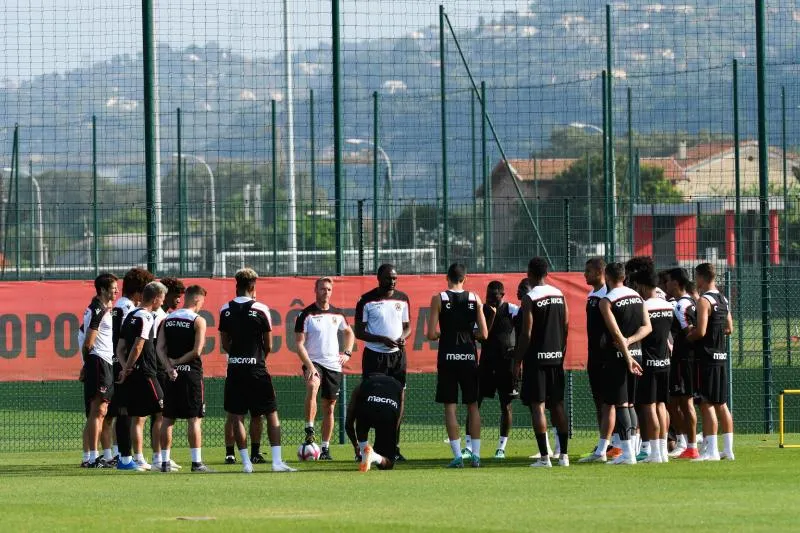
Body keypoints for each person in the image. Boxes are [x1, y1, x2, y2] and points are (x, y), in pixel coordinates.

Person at [219, 268, 307, 473]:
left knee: (237, 416)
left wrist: (238, 358)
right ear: (252, 286)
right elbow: (268, 344)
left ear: (236, 285)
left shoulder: (225, 309)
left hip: (235, 370)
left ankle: (246, 464)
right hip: (257, 370)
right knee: (271, 413)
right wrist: (257, 359)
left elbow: (225, 343)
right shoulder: (261, 309)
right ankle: (277, 462)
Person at [582, 262, 648, 465]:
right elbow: (647, 327)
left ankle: (627, 454)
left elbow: (615, 333)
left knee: (620, 405)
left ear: (607, 277)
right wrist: (630, 343)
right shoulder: (637, 296)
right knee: (629, 404)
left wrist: (625, 353)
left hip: (619, 358)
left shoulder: (606, 301)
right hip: (637, 353)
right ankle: (632, 451)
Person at [427, 263, 488, 468]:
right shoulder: (475, 298)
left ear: (447, 277)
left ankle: (457, 457)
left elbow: (430, 333)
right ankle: (477, 456)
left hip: (448, 358)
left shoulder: (439, 298)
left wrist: (444, 334)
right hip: (469, 358)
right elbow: (484, 334)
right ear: (465, 278)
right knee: (472, 406)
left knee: (450, 407)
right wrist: (471, 335)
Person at [513, 257, 570, 468]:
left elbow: (526, 334)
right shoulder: (559, 294)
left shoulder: (530, 298)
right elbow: (565, 325)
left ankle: (545, 458)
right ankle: (564, 456)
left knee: (538, 407)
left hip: (536, 360)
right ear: (546, 272)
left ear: (530, 273)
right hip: (556, 358)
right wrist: (560, 350)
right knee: (558, 406)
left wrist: (517, 361)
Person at [354, 264, 411, 461]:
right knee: (370, 400)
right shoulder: (366, 301)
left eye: (395, 278)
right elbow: (359, 332)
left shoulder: (402, 299)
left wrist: (403, 337)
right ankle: (363, 449)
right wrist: (381, 339)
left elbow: (407, 327)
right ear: (378, 278)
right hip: (374, 357)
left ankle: (393, 447)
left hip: (397, 357)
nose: (392, 282)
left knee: (399, 398)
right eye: (388, 278)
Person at [295, 277, 355, 460]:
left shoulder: (338, 314)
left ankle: (325, 448)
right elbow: (299, 344)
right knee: (313, 385)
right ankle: (309, 429)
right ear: (316, 290)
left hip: (333, 366)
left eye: (329, 289)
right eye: (322, 289)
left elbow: (349, 333)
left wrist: (347, 352)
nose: (326, 292)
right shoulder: (306, 314)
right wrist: (310, 366)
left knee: (329, 407)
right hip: (314, 362)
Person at [157, 284, 212, 473]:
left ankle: (164, 462)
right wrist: (180, 362)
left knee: (167, 418)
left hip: (170, 375)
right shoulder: (198, 320)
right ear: (197, 299)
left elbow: (159, 349)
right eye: (202, 301)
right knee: (194, 418)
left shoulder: (167, 319)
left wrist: (169, 366)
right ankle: (196, 463)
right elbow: (197, 351)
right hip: (190, 374)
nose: (202, 305)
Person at [116, 281, 171, 471]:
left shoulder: (129, 315)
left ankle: (139, 458)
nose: (162, 303)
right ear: (155, 298)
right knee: (163, 411)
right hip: (147, 373)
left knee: (137, 415)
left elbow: (120, 348)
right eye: (162, 299)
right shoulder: (146, 317)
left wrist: (125, 368)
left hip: (133, 374)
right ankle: (160, 459)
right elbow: (138, 346)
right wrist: (129, 366)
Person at [105, 267, 154, 469]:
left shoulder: (118, 306)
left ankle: (120, 454)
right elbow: (128, 339)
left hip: (116, 361)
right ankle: (126, 456)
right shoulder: (129, 311)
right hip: (124, 363)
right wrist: (127, 365)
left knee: (119, 412)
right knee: (127, 412)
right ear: (138, 293)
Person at [687, 263, 734, 461]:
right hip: (721, 356)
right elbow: (729, 328)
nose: (695, 281)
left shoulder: (704, 300)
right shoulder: (722, 298)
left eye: (696, 277)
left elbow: (701, 331)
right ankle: (728, 451)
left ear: (702, 278)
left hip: (706, 357)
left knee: (706, 404)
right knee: (721, 403)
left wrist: (688, 336)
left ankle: (712, 451)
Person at [473, 280, 519, 460]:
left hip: (506, 366)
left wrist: (517, 353)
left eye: (494, 296)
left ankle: (501, 447)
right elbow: (482, 338)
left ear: (503, 295)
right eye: (488, 295)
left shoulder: (512, 310)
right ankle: (470, 446)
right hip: (486, 364)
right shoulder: (482, 311)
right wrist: (490, 315)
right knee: (475, 404)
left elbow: (524, 327)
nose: (490, 299)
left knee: (506, 406)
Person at [632, 267, 673, 463]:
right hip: (665, 361)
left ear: (641, 285)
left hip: (648, 361)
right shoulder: (667, 306)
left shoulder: (644, 306)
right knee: (662, 406)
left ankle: (655, 452)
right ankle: (663, 451)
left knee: (649, 407)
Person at [79, 272, 118, 468]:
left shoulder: (100, 307)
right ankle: (93, 458)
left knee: (98, 411)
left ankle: (89, 457)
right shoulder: (97, 310)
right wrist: (87, 364)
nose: (116, 291)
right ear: (103, 290)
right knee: (99, 411)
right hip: (99, 361)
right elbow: (88, 342)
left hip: (101, 362)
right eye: (113, 288)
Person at [149, 277, 185, 469]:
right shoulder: (160, 317)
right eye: (176, 297)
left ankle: (161, 456)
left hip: (159, 369)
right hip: (157, 370)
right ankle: (158, 458)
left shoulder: (163, 315)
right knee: (159, 415)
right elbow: (155, 346)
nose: (178, 301)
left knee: (159, 415)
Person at [664, 267, 700, 459]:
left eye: (668, 281)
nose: (666, 284)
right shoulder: (691, 302)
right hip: (683, 360)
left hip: (684, 360)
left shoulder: (680, 306)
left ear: (676, 283)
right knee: (674, 402)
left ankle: (690, 446)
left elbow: (692, 332)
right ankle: (684, 442)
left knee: (685, 403)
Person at [345, 373, 404, 472]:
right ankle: (374, 457)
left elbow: (349, 420)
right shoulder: (399, 386)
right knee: (388, 463)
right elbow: (399, 417)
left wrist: (356, 445)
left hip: (365, 415)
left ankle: (365, 455)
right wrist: (391, 436)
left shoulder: (362, 385)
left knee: (362, 415)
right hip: (388, 416)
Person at [583, 257, 607, 455]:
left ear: (600, 272)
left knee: (611, 402)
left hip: (607, 356)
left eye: (588, 271)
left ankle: (615, 442)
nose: (585, 274)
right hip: (594, 355)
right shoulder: (592, 294)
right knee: (599, 400)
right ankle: (604, 442)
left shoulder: (608, 294)